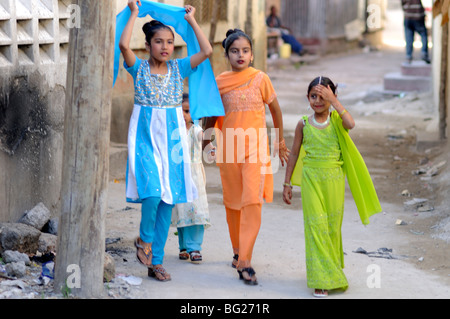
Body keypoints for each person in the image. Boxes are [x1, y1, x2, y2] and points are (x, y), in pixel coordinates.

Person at [119, 0, 213, 281]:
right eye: (158, 42)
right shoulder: (138, 69)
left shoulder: (179, 69)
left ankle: (155, 262)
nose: (165, 47)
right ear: (147, 45)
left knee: (167, 201)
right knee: (151, 193)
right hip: (145, 139)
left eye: (170, 42)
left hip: (172, 142)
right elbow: (124, 47)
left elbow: (207, 51)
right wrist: (134, 13)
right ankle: (144, 241)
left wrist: (192, 21)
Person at [203, 29, 290, 285]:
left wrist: (280, 141)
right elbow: (211, 114)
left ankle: (245, 262)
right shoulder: (219, 81)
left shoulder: (261, 79)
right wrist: (207, 141)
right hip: (230, 148)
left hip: (256, 149)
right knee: (233, 203)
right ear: (227, 55)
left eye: (245, 50)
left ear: (252, 55)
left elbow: (275, 110)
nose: (240, 55)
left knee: (252, 200)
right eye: (234, 51)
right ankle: (238, 250)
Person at [282, 77, 382, 297]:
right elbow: (295, 154)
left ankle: (331, 270)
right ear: (307, 98)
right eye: (313, 96)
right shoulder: (303, 123)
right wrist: (287, 182)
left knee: (331, 228)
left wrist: (334, 101)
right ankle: (321, 280)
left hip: (334, 181)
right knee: (315, 228)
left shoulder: (337, 120)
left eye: (323, 96)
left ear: (333, 97)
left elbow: (351, 124)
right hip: (311, 181)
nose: (318, 101)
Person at [171, 93, 214, 264]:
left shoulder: (198, 131)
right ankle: (183, 246)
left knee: (195, 210)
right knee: (182, 209)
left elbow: (206, 147)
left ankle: (195, 247)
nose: (183, 115)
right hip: (178, 176)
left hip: (195, 177)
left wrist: (211, 150)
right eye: (180, 111)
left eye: (187, 111)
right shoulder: (174, 131)